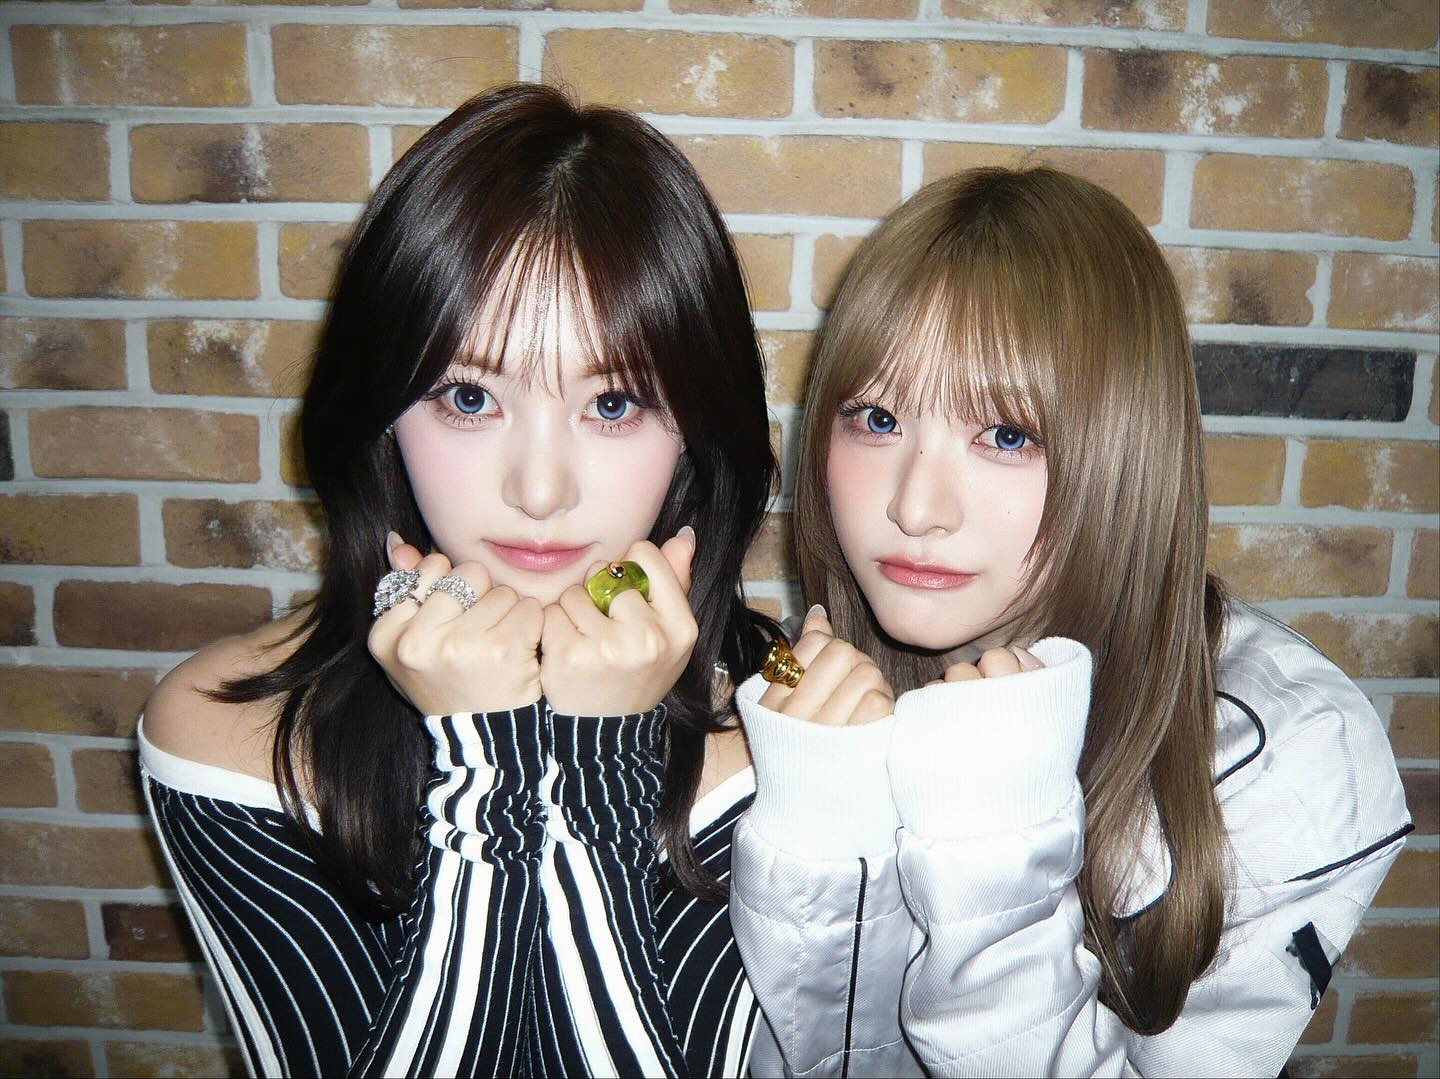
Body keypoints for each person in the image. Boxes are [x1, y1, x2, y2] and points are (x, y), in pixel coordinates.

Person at [141, 83, 778, 1078]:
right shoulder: (227, 730)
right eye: (470, 397)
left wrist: (589, 757)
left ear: (693, 429)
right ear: (382, 412)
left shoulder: (790, 728)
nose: (539, 489)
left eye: (613, 403)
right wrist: (492, 760)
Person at [727, 167, 1411, 1077]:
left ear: (1122, 447)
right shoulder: (806, 683)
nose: (916, 507)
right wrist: (819, 827)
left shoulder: (1283, 753)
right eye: (878, 418)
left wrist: (995, 853)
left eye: (1006, 435)